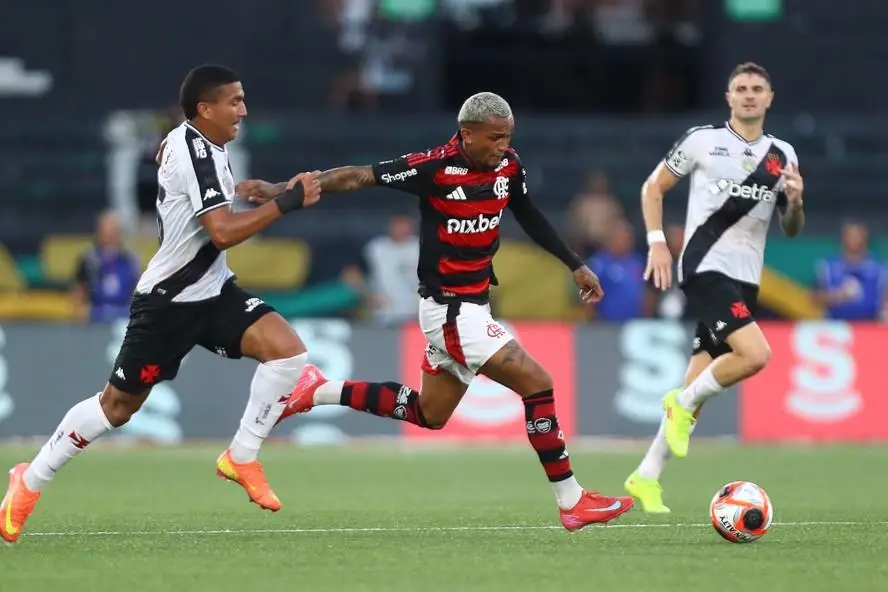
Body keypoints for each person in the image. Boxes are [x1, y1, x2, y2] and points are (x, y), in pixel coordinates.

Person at [238, 91, 635, 530]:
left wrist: (575, 264)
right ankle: (572, 500)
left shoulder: (508, 166)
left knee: (431, 413)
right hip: (449, 310)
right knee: (537, 384)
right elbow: (355, 177)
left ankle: (317, 389)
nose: (503, 146)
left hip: (474, 308)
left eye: (508, 137)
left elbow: (530, 215)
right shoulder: (434, 167)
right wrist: (282, 190)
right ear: (467, 134)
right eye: (495, 138)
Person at [0, 64, 321, 544]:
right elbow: (222, 231)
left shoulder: (195, 142)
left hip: (213, 290)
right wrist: (283, 206)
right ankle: (28, 481)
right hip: (169, 302)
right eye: (234, 101)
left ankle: (241, 456)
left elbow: (191, 187)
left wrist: (257, 190)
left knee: (289, 352)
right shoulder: (197, 153)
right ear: (204, 108)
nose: (243, 110)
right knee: (116, 407)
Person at [623, 62, 806, 513]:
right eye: (740, 88)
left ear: (769, 97)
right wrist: (657, 244)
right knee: (755, 355)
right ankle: (678, 403)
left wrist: (796, 203)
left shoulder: (782, 156)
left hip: (746, 279)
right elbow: (653, 188)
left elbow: (792, 228)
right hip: (705, 267)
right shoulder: (702, 141)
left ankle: (645, 475)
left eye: (756, 88)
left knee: (700, 378)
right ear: (729, 97)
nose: (748, 95)